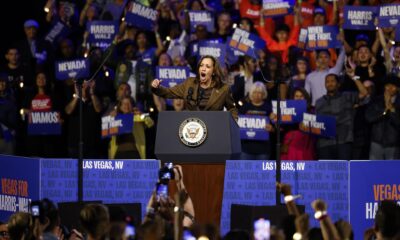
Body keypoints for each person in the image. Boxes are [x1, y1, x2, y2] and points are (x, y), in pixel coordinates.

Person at [151, 55, 238, 120]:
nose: (203, 69)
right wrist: (157, 87)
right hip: (191, 128)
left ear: (214, 71)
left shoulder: (223, 89)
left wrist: (232, 126)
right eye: (201, 65)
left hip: (213, 129)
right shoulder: (189, 83)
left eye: (207, 66)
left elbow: (232, 109)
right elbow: (168, 92)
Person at [315, 73, 368, 160]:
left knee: (344, 171)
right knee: (327, 172)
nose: (330, 83)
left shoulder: (347, 96)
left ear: (338, 84)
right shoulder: (319, 102)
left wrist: (354, 77)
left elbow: (364, 93)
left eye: (332, 81)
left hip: (344, 141)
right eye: (327, 82)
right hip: (324, 143)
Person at [365, 79, 400, 160]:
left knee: (392, 171)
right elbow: (369, 118)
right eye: (387, 85)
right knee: (375, 170)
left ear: (398, 88)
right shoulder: (376, 100)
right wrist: (384, 110)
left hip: (394, 145)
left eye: (393, 86)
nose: (390, 88)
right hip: (376, 143)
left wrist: (391, 108)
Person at [238, 82, 273, 160]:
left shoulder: (269, 108)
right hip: (246, 149)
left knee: (261, 172)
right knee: (245, 172)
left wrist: (272, 128)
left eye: (260, 92)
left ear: (264, 94)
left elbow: (276, 128)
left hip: (263, 149)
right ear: (251, 94)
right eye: (255, 92)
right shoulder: (244, 108)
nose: (257, 95)